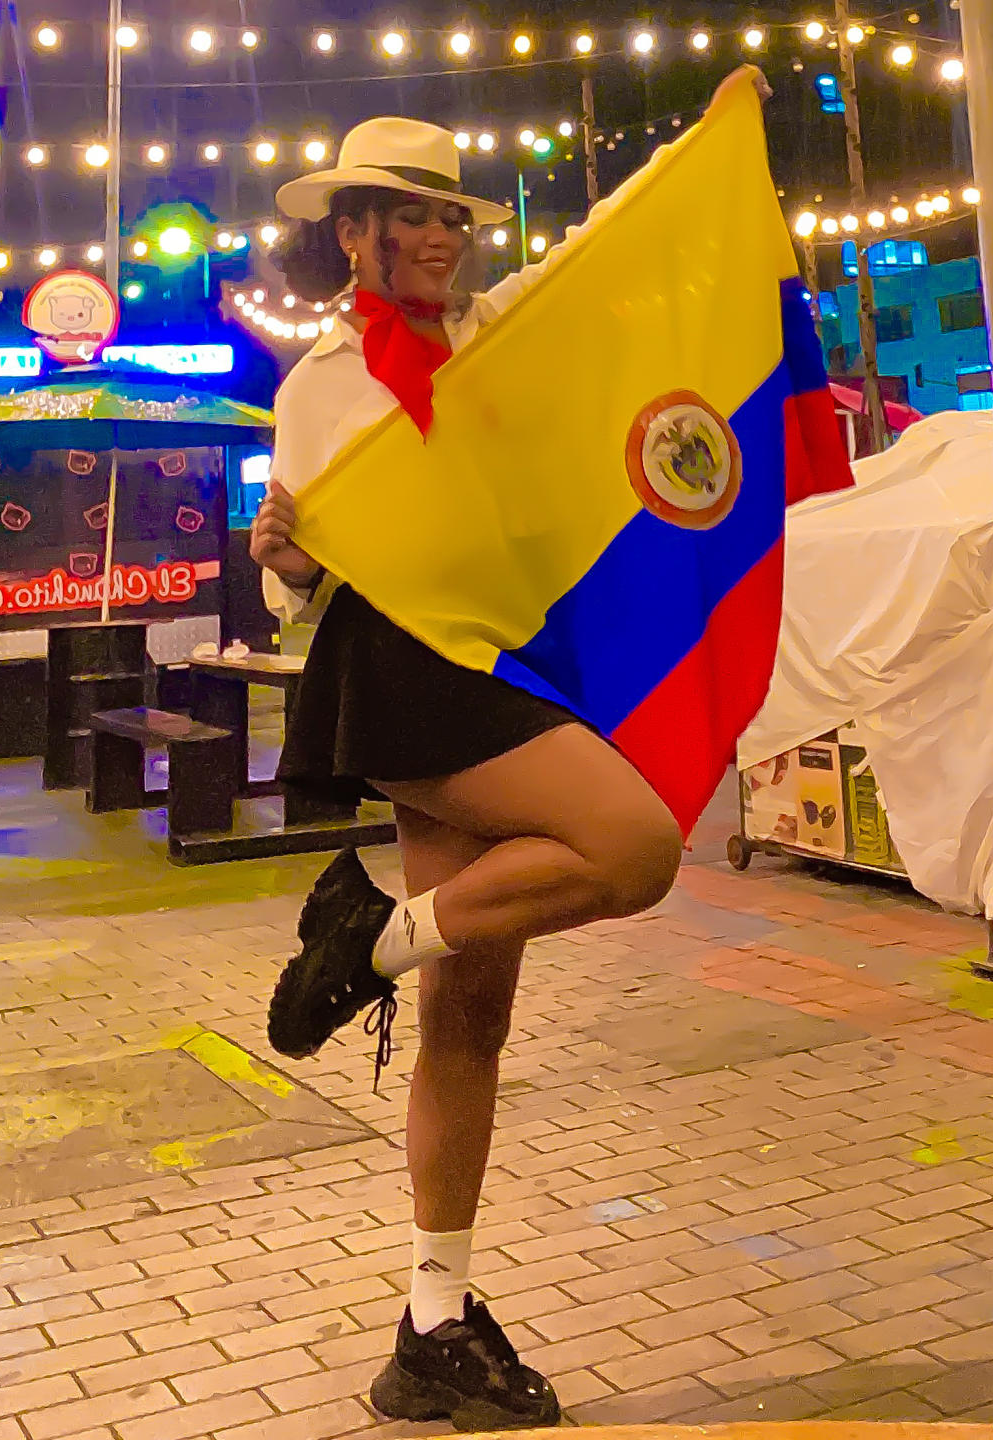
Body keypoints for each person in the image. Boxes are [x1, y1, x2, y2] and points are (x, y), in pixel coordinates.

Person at [251, 74, 761, 1430]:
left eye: (452, 219)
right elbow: (301, 580)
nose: (441, 239)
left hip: (509, 657)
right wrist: (284, 561)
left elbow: (612, 267)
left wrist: (706, 151)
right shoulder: (320, 384)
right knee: (632, 847)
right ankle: (368, 941)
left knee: (469, 1016)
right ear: (352, 233)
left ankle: (431, 1324)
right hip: (406, 673)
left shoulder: (506, 335)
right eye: (410, 219)